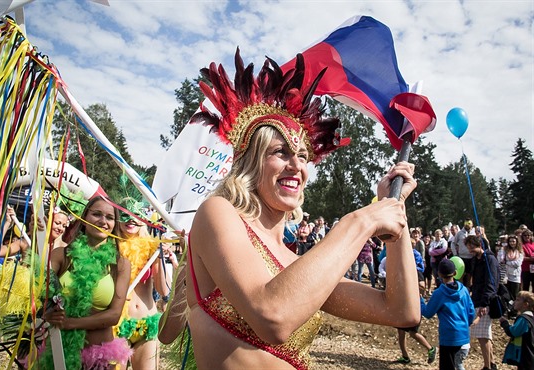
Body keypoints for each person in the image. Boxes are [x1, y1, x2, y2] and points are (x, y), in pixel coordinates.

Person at [186, 49, 421, 369]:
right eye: (281, 152)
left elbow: (400, 311)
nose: (296, 166)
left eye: (302, 156)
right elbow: (272, 317)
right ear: (251, 162)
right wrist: (361, 221)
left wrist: (394, 209)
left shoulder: (298, 263)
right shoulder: (218, 212)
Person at [41, 196, 132, 370]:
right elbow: (40, 288)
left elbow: (114, 315)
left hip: (99, 360)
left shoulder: (121, 264)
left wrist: (70, 323)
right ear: (84, 218)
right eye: (96, 214)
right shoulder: (61, 255)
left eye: (110, 217)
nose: (103, 221)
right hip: (60, 353)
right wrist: (40, 237)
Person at [115, 198, 171, 370]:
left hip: (146, 322)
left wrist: (159, 256)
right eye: (125, 214)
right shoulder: (110, 246)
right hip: (117, 325)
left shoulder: (151, 248)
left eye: (136, 214)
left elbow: (163, 290)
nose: (131, 220)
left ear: (143, 219)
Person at [421, 258, 475, 370]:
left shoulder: (439, 293)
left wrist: (420, 300)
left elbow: (427, 313)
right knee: (459, 365)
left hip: (449, 338)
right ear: (455, 273)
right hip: (464, 337)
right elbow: (471, 313)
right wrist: (465, 325)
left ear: (439, 274)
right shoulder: (464, 290)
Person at [466, 234, 500, 370]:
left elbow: (491, 283)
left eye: (472, 247)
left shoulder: (489, 259)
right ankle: (491, 363)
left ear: (480, 245)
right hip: (477, 298)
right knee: (485, 334)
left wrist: (485, 303)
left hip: (485, 301)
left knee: (482, 336)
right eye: (469, 248)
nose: (470, 250)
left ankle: (487, 366)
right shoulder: (476, 259)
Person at [499, 290, 534, 370]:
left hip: (526, 355)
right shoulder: (531, 317)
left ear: (525, 304)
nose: (514, 302)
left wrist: (505, 323)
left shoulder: (524, 319)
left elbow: (513, 332)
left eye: (518, 300)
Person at [499, 235, 524, 317]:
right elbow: (501, 260)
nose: (512, 243)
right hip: (506, 275)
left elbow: (518, 263)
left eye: (513, 241)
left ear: (516, 242)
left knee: (514, 294)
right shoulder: (505, 251)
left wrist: (507, 263)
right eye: (510, 241)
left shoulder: (520, 251)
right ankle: (507, 310)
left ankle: (514, 311)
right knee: (507, 294)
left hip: (515, 276)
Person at [453, 220, 475, 288]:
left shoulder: (474, 233)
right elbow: (453, 243)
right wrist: (455, 254)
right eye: (466, 223)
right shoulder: (459, 233)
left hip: (471, 258)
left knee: (469, 276)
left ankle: (468, 291)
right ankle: (460, 289)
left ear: (472, 224)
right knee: (460, 276)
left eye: (469, 224)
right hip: (461, 257)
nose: (467, 225)